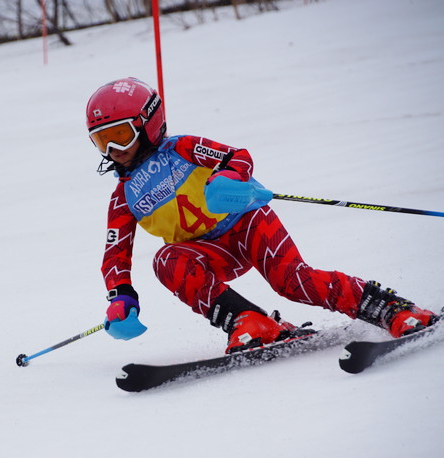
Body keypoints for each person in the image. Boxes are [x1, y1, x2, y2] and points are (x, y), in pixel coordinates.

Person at [86, 77, 438, 353]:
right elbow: (115, 254)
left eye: (121, 135)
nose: (115, 150)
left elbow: (237, 156)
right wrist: (121, 295)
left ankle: (391, 309)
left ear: (148, 123)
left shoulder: (182, 148)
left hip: (247, 223)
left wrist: (228, 176)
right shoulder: (123, 198)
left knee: (292, 281)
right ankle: (251, 323)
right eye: (103, 142)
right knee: (166, 260)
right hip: (210, 252)